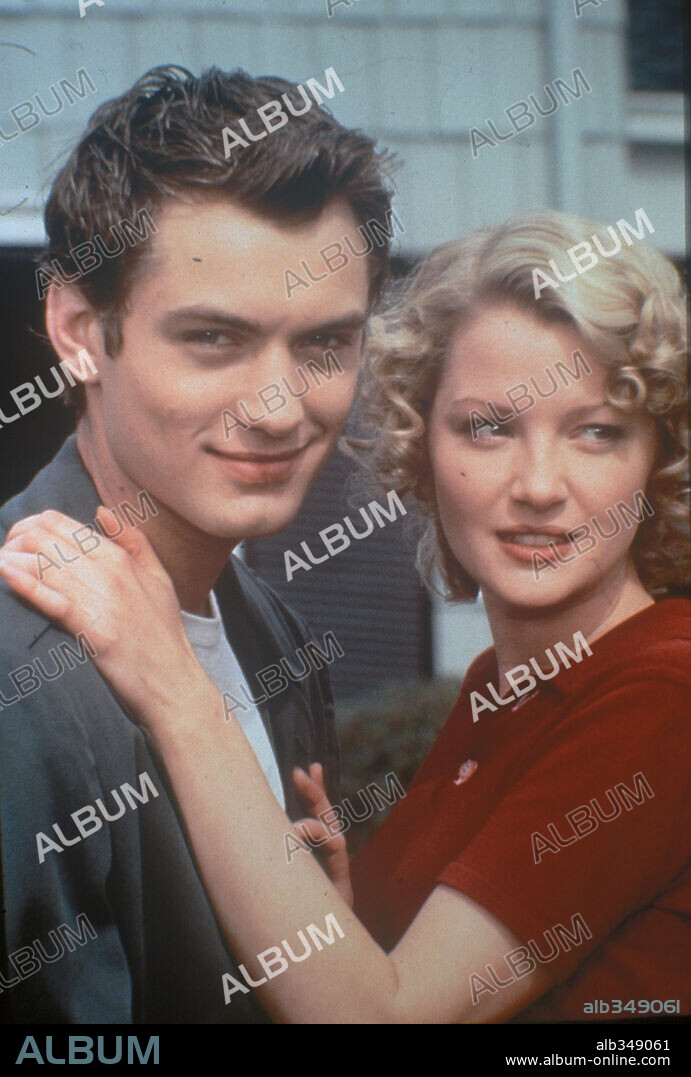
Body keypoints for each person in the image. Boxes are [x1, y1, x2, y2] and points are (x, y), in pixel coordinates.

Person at [2, 210, 688, 1023]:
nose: (538, 485)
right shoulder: (496, 691)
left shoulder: (665, 691)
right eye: (487, 427)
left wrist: (176, 686)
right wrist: (334, 912)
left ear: (657, 461)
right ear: (421, 444)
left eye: (596, 433)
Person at [0, 63, 397, 1023]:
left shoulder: (280, 640)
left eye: (323, 346)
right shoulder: (20, 673)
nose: (276, 408)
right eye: (214, 338)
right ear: (78, 329)